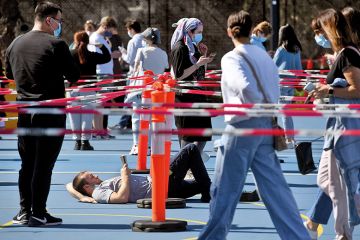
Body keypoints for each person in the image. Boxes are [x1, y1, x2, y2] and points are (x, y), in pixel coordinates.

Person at [198, 10, 310, 240]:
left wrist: (252, 105)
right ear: (252, 31)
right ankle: (298, 237)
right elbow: (274, 88)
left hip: (243, 125)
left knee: (224, 190)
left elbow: (244, 86)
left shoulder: (231, 57)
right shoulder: (264, 56)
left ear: (230, 31)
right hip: (267, 125)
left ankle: (211, 238)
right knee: (276, 190)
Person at [5, 1, 80, 227]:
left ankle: (24, 210)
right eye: (59, 20)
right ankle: (38, 212)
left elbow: (10, 74)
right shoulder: (56, 44)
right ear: (49, 20)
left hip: (24, 111)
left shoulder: (15, 44)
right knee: (43, 164)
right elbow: (74, 75)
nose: (60, 25)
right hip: (49, 111)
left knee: (27, 163)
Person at [304, 7, 360, 239]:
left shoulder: (348, 54)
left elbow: (356, 89)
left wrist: (327, 89)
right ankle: (333, 226)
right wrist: (325, 91)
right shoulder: (345, 54)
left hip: (345, 128)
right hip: (337, 126)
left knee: (338, 185)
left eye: (321, 30)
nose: (319, 36)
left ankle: (343, 233)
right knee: (327, 180)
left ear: (331, 29)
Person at [67, 144, 211, 203]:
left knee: (206, 185)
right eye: (91, 177)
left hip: (167, 188)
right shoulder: (99, 192)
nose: (95, 175)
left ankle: (208, 191)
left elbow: (69, 185)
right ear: (87, 187)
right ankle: (207, 192)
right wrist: (124, 177)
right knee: (190, 149)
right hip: (161, 185)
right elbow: (121, 198)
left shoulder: (94, 188)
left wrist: (81, 197)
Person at [170, 18, 214, 162]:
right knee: (187, 136)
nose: (201, 35)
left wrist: (204, 59)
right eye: (199, 32)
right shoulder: (180, 48)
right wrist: (197, 64)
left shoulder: (193, 47)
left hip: (198, 94)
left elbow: (200, 75)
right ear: (189, 31)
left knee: (204, 132)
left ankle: (193, 159)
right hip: (184, 96)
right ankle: (183, 165)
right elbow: (179, 75)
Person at [69, 31, 111, 150]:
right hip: (89, 89)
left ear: (75, 41)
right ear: (88, 42)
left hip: (73, 88)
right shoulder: (92, 55)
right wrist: (101, 46)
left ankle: (77, 142)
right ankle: (85, 142)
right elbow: (107, 57)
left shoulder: (70, 54)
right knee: (87, 116)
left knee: (74, 117)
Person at [88, 16, 120, 139]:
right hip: (100, 73)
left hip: (106, 73)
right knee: (99, 103)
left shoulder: (103, 38)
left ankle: (99, 129)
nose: (111, 33)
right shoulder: (95, 38)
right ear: (105, 27)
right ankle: (97, 130)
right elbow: (95, 56)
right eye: (110, 30)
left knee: (102, 103)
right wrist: (112, 54)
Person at [273, 24, 302, 148]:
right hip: (292, 83)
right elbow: (299, 68)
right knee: (286, 112)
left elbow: (273, 66)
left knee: (279, 112)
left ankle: (287, 138)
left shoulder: (281, 50)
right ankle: (289, 137)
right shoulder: (296, 49)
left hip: (281, 84)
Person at [111, 20, 144, 131]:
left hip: (134, 74)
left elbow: (130, 60)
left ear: (131, 29)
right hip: (144, 74)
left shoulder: (133, 41)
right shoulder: (145, 39)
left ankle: (123, 122)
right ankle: (128, 121)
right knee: (140, 99)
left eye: (128, 29)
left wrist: (123, 54)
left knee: (129, 98)